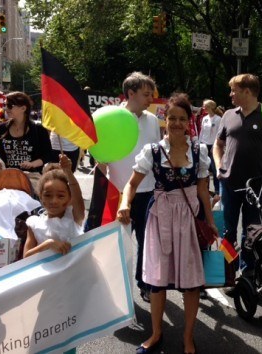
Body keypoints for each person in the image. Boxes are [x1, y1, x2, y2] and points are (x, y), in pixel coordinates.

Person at [117, 93, 215, 354]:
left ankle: (187, 337)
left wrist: (211, 220)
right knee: (157, 281)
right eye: (172, 117)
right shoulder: (152, 151)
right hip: (160, 219)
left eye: (182, 119)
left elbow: (203, 190)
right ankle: (157, 333)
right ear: (165, 118)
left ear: (189, 121)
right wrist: (125, 203)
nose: (176, 123)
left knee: (191, 282)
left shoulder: (199, 151)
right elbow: (132, 184)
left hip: (189, 220)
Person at [94, 72, 161, 302]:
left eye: (151, 94)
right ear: (130, 93)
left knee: (147, 243)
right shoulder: (109, 118)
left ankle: (144, 284)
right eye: (145, 94)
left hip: (149, 192)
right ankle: (114, 290)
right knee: (117, 245)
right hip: (118, 194)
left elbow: (157, 154)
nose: (150, 99)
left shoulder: (152, 120)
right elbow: (100, 159)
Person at [213, 73, 262, 273]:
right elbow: (218, 144)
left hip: (255, 185)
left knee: (252, 231)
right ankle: (228, 271)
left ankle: (248, 272)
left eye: (234, 90)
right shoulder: (228, 115)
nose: (230, 94)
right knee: (227, 230)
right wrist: (219, 164)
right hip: (228, 182)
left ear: (247, 92)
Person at [22, 154, 83, 354]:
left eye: (60, 195)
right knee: (44, 331)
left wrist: (68, 172)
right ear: (40, 196)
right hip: (45, 290)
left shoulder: (73, 217)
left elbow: (78, 197)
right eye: (47, 195)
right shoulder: (34, 224)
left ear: (69, 198)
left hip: (70, 287)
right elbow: (26, 257)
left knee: (67, 335)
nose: (54, 201)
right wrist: (47, 244)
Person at [0, 92, 52, 176]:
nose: (5, 108)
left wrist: (32, 164)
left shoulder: (39, 130)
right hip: (6, 177)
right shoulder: (1, 128)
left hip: (31, 177)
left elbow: (48, 155)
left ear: (23, 108)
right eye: (5, 105)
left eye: (9, 106)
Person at [198, 99, 222, 199]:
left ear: (210, 107)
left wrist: (215, 145)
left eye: (205, 106)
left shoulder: (218, 119)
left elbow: (219, 133)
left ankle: (217, 189)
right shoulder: (205, 118)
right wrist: (199, 144)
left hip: (213, 145)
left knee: (214, 168)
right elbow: (202, 131)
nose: (203, 108)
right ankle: (205, 188)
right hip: (204, 145)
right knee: (204, 168)